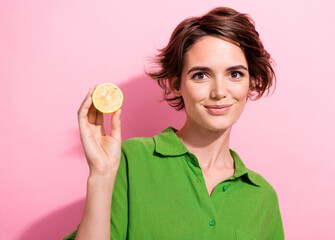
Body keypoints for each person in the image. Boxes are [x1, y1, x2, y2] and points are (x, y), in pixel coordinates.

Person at [64, 6, 284, 240]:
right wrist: (101, 174)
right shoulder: (131, 159)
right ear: (176, 84)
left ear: (252, 82)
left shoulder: (263, 196)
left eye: (235, 74)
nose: (220, 92)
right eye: (201, 75)